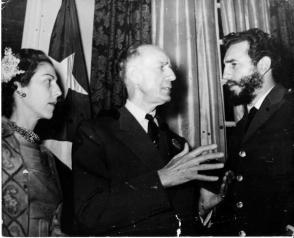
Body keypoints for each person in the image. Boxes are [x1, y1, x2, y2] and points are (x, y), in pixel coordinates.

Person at [72, 44, 225, 236]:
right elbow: (89, 214)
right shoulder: (95, 134)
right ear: (135, 75)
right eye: (162, 67)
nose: (172, 76)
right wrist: (162, 179)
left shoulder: (178, 144)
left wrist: (203, 209)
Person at [199, 28, 294, 236]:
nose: (224, 77)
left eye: (233, 65)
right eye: (225, 67)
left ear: (263, 66)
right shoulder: (243, 126)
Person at [2, 48, 64, 236]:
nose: (59, 92)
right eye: (48, 81)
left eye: (57, 83)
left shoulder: (46, 156)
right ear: (20, 89)